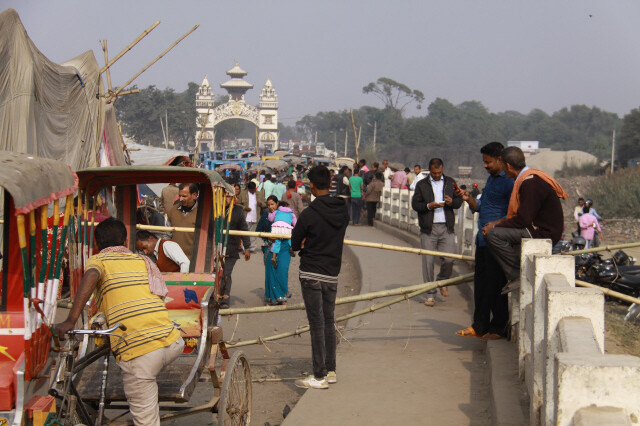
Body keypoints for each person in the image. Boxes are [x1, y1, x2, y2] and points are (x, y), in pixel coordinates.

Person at [55, 218, 184, 426]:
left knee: (146, 420)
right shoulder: (144, 261)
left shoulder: (99, 261)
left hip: (142, 354)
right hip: (173, 341)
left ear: (97, 245)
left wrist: (70, 320)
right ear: (125, 242)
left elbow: (91, 276)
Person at [291, 165, 349, 389]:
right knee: (328, 321)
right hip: (332, 272)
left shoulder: (309, 214)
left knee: (316, 323)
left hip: (311, 272)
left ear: (312, 185)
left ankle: (318, 375)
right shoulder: (342, 209)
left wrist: (304, 242)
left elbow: (295, 243)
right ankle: (331, 370)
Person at [484, 146, 568, 294]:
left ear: (508, 166)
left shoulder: (530, 183)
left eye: (503, 165)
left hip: (543, 232)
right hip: (537, 227)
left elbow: (523, 219)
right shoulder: (528, 178)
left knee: (494, 235)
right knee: (498, 232)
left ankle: (516, 274)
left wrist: (495, 225)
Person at [455, 142, 514, 340]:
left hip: (498, 242)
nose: (485, 166)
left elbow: (513, 214)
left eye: (488, 162)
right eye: (484, 162)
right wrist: (468, 199)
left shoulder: (510, 182)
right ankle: (479, 325)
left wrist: (496, 226)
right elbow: (481, 206)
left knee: (496, 285)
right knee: (481, 284)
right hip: (482, 240)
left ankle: (498, 327)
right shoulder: (491, 180)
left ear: (500, 160)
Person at [411, 158, 463, 307]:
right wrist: (428, 205)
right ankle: (430, 293)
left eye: (439, 173)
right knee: (428, 262)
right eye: (434, 173)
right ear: (429, 171)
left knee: (449, 259)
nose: (436, 175)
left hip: (446, 227)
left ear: (443, 169)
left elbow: (459, 202)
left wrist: (451, 202)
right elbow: (415, 204)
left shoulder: (450, 182)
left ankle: (441, 280)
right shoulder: (422, 185)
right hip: (429, 228)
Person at [220, 192, 252, 308]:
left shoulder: (238, 211)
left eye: (228, 196)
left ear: (233, 198)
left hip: (231, 249)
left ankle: (224, 299)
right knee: (216, 275)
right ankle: (215, 297)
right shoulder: (216, 209)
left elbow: (244, 229)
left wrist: (247, 247)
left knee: (226, 274)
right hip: (216, 248)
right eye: (224, 196)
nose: (226, 199)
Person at [166, 183, 199, 259]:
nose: (180, 199)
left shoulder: (203, 213)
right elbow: (167, 235)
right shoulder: (173, 211)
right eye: (179, 196)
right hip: (174, 259)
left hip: (194, 260)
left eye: (184, 196)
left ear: (194, 195)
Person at [268, 200, 296, 270]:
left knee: (277, 241)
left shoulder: (277, 211)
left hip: (276, 228)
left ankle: (274, 257)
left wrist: (270, 213)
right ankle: (292, 248)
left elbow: (271, 219)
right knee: (289, 238)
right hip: (286, 228)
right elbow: (295, 223)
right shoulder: (291, 213)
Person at [238, 181, 266, 251]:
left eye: (254, 189)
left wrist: (261, 204)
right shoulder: (243, 194)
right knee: (245, 233)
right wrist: (244, 208)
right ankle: (245, 248)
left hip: (256, 217)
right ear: (249, 189)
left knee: (253, 234)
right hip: (246, 217)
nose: (253, 191)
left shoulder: (260, 194)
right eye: (252, 190)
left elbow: (265, 204)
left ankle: (252, 248)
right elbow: (237, 204)